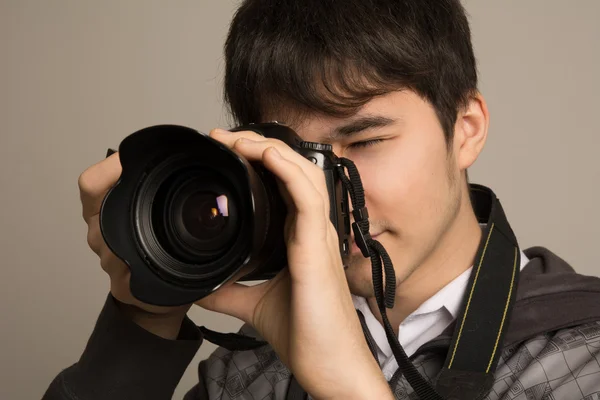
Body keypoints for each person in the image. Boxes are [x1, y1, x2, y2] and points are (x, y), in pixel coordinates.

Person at [43, 0, 600, 399]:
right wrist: (144, 317)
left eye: (365, 141)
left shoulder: (582, 362)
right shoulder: (252, 364)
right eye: (298, 158)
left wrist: (346, 386)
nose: (326, 195)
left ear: (466, 128)